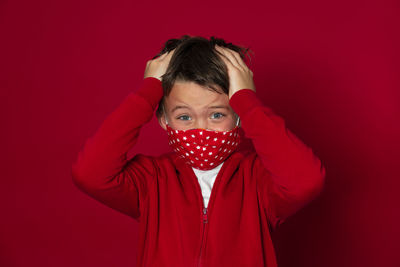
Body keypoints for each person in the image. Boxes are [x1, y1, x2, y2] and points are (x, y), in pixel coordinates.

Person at [71, 35, 326, 267]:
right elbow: (90, 173)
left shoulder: (258, 181)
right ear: (163, 119)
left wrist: (247, 101)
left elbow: (306, 181)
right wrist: (148, 91)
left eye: (217, 114)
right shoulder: (151, 181)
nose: (201, 129)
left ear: (238, 116)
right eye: (184, 116)